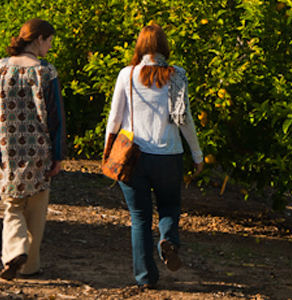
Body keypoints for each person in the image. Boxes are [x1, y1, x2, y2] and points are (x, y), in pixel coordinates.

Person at [104, 24, 205, 288]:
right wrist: (197, 154)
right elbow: (184, 119)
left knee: (139, 219)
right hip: (169, 155)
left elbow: (114, 118)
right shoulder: (178, 75)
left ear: (140, 46)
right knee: (170, 205)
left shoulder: (126, 75)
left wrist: (107, 151)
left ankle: (145, 278)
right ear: (164, 46)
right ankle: (168, 240)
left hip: (133, 157)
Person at [0, 18, 65, 281]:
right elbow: (56, 117)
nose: (50, 47)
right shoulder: (46, 72)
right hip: (40, 150)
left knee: (12, 205)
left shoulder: (1, 68)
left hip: (8, 149)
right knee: (37, 208)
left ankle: (14, 253)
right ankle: (29, 265)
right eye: (49, 41)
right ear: (38, 39)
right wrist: (59, 154)